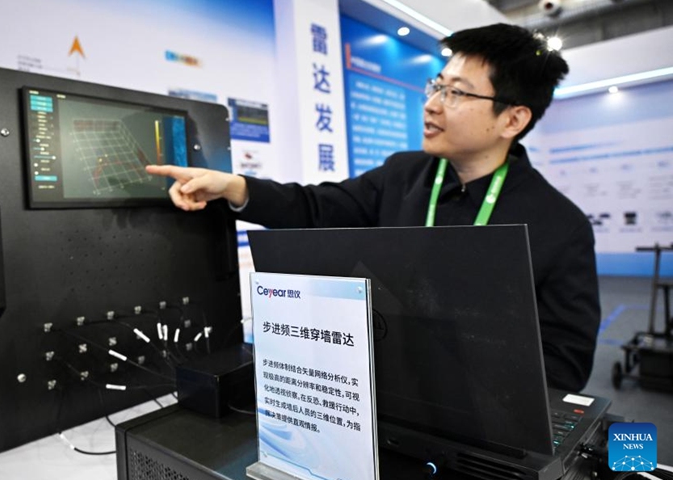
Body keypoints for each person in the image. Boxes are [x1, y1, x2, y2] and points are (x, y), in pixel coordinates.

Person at [147, 23, 600, 393]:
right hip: (383, 397)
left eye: (456, 94)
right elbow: (317, 207)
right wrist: (234, 187)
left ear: (513, 119)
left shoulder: (559, 226)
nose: (432, 105)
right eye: (437, 86)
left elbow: (564, 365)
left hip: (486, 425)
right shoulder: (402, 175)